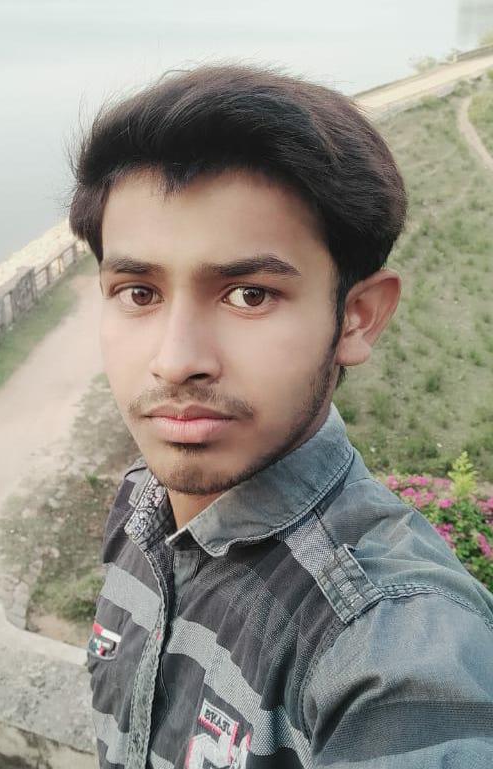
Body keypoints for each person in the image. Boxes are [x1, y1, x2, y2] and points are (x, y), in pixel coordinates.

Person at [69, 64, 493, 768]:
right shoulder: (141, 503)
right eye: (139, 292)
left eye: (249, 295)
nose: (176, 361)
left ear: (357, 316)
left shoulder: (388, 646)